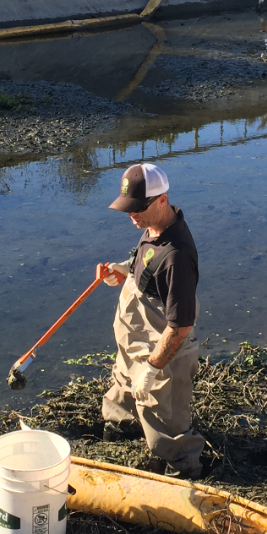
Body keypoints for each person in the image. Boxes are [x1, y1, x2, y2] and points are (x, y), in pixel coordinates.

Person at [96, 163, 205, 479]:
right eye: (128, 207)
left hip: (161, 353)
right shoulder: (155, 225)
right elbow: (146, 258)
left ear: (162, 199)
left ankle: (184, 468)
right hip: (134, 342)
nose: (133, 215)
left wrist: (153, 368)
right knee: (123, 388)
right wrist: (124, 269)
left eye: (139, 208)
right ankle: (122, 425)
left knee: (165, 418)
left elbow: (180, 327)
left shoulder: (177, 256)